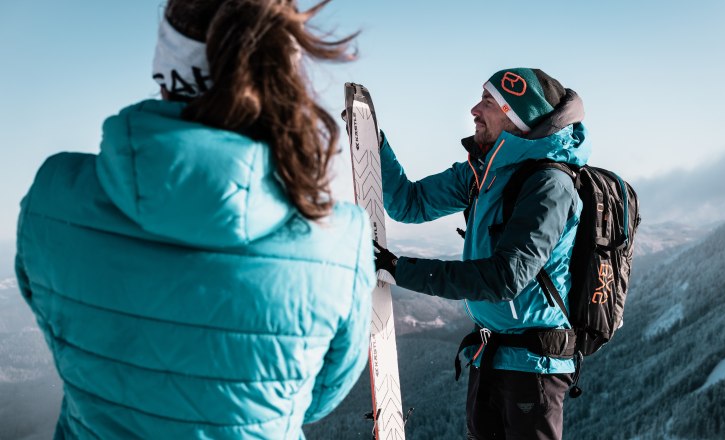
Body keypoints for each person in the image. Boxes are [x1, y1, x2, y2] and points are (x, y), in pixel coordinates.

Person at [14, 1, 374, 438]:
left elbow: (61, 335)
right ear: (282, 75)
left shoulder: (54, 200)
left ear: (165, 69)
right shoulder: (339, 239)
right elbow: (315, 397)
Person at [373, 68, 591, 439]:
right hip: (489, 353)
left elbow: (504, 278)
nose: (474, 109)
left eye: (489, 102)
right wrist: (374, 143)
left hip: (534, 367)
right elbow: (409, 204)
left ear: (518, 115)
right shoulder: (483, 172)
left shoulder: (549, 184)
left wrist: (398, 269)